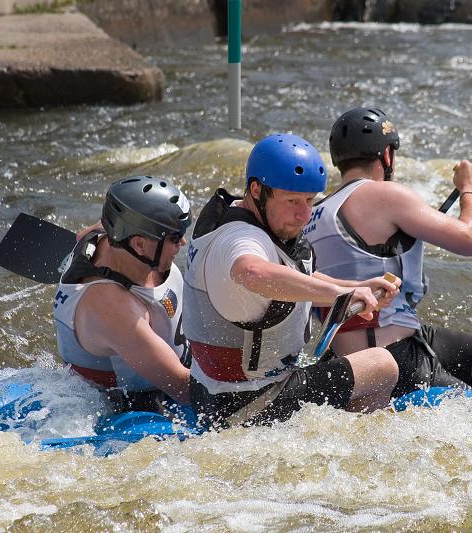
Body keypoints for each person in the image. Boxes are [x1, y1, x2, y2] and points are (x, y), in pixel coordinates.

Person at [182, 133, 401, 427]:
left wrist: (356, 288)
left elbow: (294, 277)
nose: (303, 215)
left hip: (217, 394)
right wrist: (336, 294)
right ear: (257, 190)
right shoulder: (239, 238)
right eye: (292, 201)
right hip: (243, 405)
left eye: (310, 200)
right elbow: (251, 272)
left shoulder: (245, 215)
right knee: (381, 365)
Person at [303, 107, 472, 398]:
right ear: (387, 156)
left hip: (358, 356)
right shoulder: (383, 194)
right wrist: (471, 188)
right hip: (393, 360)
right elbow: (471, 240)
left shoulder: (313, 213)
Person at [54, 176, 194, 411]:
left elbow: (81, 236)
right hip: (132, 402)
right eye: (173, 237)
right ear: (139, 244)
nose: (183, 241)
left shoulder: (108, 233)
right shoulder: (112, 308)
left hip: (165, 362)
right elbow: (183, 387)